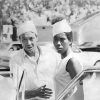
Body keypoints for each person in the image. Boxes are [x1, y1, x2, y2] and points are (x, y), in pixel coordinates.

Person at [10, 20, 59, 100]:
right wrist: (35, 93)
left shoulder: (51, 54)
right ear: (20, 41)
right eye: (24, 39)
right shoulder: (16, 60)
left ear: (37, 38)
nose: (28, 43)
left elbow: (63, 77)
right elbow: (16, 94)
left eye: (31, 38)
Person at [52, 18, 83, 100]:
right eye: (55, 39)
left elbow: (80, 92)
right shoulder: (61, 61)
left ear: (70, 40)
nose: (58, 43)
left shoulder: (72, 61)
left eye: (62, 39)